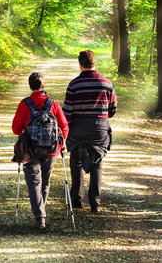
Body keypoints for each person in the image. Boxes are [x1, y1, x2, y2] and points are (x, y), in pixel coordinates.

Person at [12, 72, 69, 230]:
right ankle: (41, 213)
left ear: (30, 86)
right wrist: (62, 143)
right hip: (52, 150)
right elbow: (64, 126)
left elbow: (16, 129)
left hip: (30, 150)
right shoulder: (54, 104)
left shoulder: (24, 104)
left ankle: (40, 217)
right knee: (44, 182)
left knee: (33, 183)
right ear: (43, 86)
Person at [62, 49, 116, 214]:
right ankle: (95, 204)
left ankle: (77, 201)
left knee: (76, 162)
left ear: (80, 65)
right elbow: (112, 110)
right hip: (99, 128)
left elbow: (67, 113)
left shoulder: (74, 85)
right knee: (97, 164)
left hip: (78, 129)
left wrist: (67, 132)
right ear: (94, 63)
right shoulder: (107, 84)